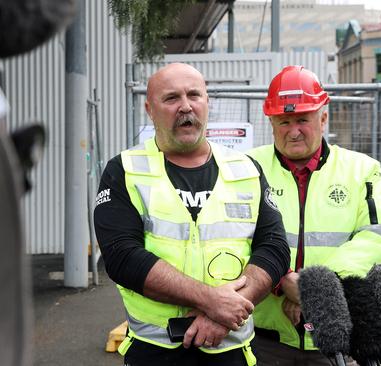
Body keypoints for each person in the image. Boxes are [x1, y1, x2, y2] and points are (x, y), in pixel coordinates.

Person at [94, 63, 290, 366]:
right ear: (149, 109)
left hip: (231, 349)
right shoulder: (125, 170)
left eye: (194, 95)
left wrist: (224, 314)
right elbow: (121, 256)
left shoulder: (245, 169)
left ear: (207, 102)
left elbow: (274, 248)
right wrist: (211, 301)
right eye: (171, 98)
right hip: (155, 350)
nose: (185, 106)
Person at [246, 65, 381, 366]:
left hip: (339, 338)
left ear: (323, 117)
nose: (293, 131)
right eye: (284, 121)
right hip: (264, 340)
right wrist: (280, 283)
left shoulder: (361, 169)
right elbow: (233, 239)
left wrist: (312, 287)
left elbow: (379, 237)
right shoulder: (246, 169)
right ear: (272, 122)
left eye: (303, 119)